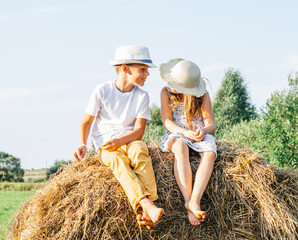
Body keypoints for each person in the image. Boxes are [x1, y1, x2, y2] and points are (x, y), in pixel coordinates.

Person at [73, 45, 163, 229]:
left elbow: (139, 132)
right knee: (118, 162)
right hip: (106, 144)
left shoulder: (142, 96)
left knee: (140, 151)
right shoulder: (102, 90)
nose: (147, 74)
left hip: (130, 140)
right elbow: (86, 122)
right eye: (143, 69)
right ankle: (147, 204)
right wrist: (82, 143)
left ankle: (147, 211)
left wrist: (121, 141)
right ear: (125, 68)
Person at [159, 58, 217, 225]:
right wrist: (184, 132)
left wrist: (203, 131)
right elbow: (167, 122)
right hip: (177, 132)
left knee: (210, 153)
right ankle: (187, 201)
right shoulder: (165, 92)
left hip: (197, 133)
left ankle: (195, 200)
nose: (169, 85)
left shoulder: (203, 95)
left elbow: (211, 124)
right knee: (180, 147)